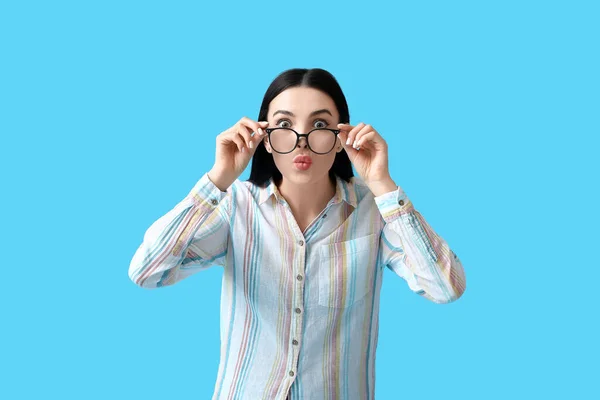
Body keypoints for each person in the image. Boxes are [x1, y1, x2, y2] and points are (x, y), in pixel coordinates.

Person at [128, 68, 467, 399]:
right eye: (285, 125)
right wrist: (216, 180)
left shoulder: (374, 210)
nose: (301, 142)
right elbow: (146, 272)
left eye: (319, 125)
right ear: (266, 139)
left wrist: (383, 184)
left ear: (340, 139)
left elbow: (445, 287)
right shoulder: (237, 207)